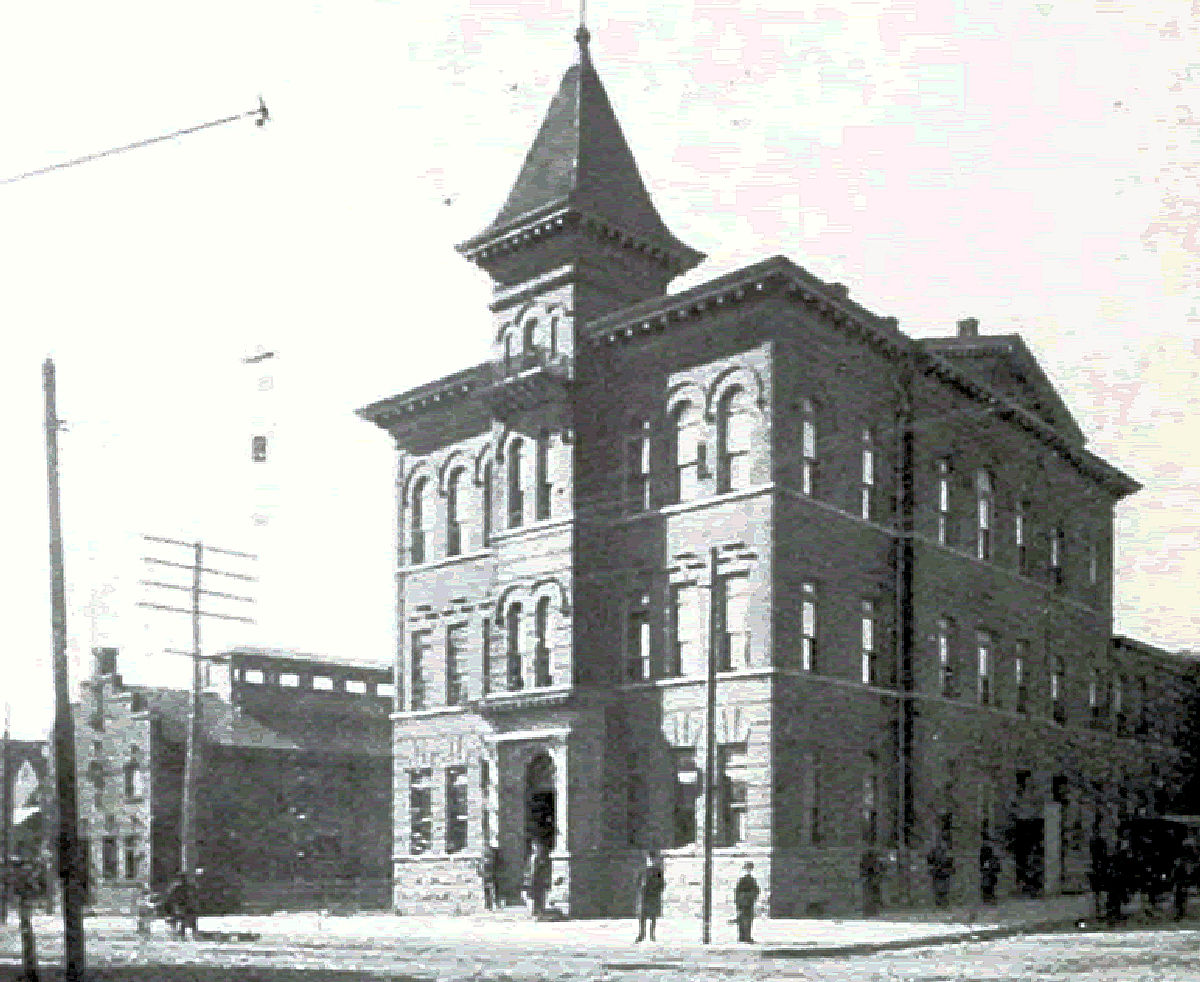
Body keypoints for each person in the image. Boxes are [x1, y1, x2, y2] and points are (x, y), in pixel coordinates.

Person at [633, 849, 664, 942]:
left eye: (652, 859)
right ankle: (642, 934)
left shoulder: (657, 871)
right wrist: (640, 889)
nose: (650, 861)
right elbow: (638, 881)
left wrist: (657, 891)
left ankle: (652, 935)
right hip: (644, 895)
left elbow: (661, 883)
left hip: (653, 895)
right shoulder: (643, 871)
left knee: (653, 916)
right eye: (649, 859)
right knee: (642, 916)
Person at [734, 861, 760, 943]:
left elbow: (755, 890)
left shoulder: (749, 879)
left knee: (745, 919)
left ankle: (744, 936)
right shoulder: (746, 879)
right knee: (745, 919)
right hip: (745, 901)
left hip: (746, 901)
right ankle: (744, 936)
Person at [525, 840, 551, 919]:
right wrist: (527, 877)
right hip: (532, 879)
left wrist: (546, 879)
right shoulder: (531, 857)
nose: (535, 848)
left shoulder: (542, 858)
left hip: (539, 879)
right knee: (532, 895)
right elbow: (528, 868)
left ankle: (540, 911)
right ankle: (534, 910)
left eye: (536, 846)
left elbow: (545, 869)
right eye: (534, 846)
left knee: (540, 896)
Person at [927, 836, 954, 908]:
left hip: (943, 873)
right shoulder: (934, 852)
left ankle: (943, 903)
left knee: (943, 889)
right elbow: (930, 861)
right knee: (939, 890)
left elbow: (950, 863)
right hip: (938, 873)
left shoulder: (947, 853)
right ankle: (939, 903)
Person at [1088, 831, 1108, 920]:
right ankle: (1100, 910)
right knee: (1100, 891)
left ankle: (1099, 910)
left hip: (1098, 872)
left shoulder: (1096, 860)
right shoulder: (1101, 860)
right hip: (1100, 872)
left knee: (1099, 892)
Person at [859, 846, 882, 916]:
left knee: (872, 895)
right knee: (869, 895)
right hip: (869, 880)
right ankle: (870, 911)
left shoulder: (874, 862)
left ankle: (873, 911)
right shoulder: (868, 862)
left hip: (872, 879)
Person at [478, 841, 500, 911]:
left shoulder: (492, 856)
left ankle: (493, 903)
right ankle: (489, 904)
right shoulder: (485, 858)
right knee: (488, 889)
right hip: (488, 874)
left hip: (492, 873)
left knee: (492, 888)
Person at [979, 839, 1000, 904]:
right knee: (987, 886)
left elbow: (996, 868)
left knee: (989, 886)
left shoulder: (991, 859)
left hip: (990, 875)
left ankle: (988, 897)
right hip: (988, 875)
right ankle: (987, 897)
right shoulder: (986, 859)